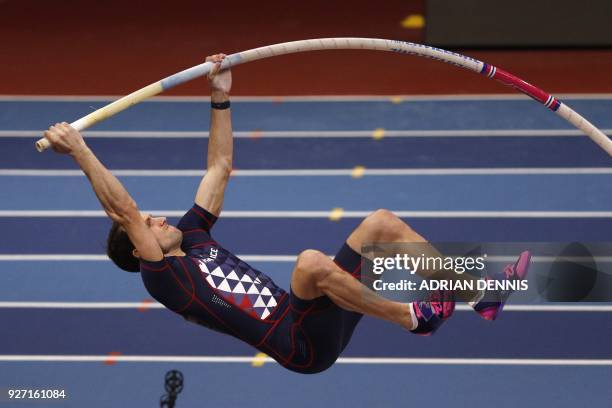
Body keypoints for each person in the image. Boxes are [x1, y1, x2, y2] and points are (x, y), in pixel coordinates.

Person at [43, 53, 530, 374]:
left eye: (154, 218)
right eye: (148, 226)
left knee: (380, 222)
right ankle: (413, 318)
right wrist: (80, 150)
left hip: (317, 314)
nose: (157, 219)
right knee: (311, 263)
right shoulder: (163, 276)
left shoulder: (193, 234)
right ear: (138, 248)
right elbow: (124, 210)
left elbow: (220, 165)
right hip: (300, 344)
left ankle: (479, 295)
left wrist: (220, 92)